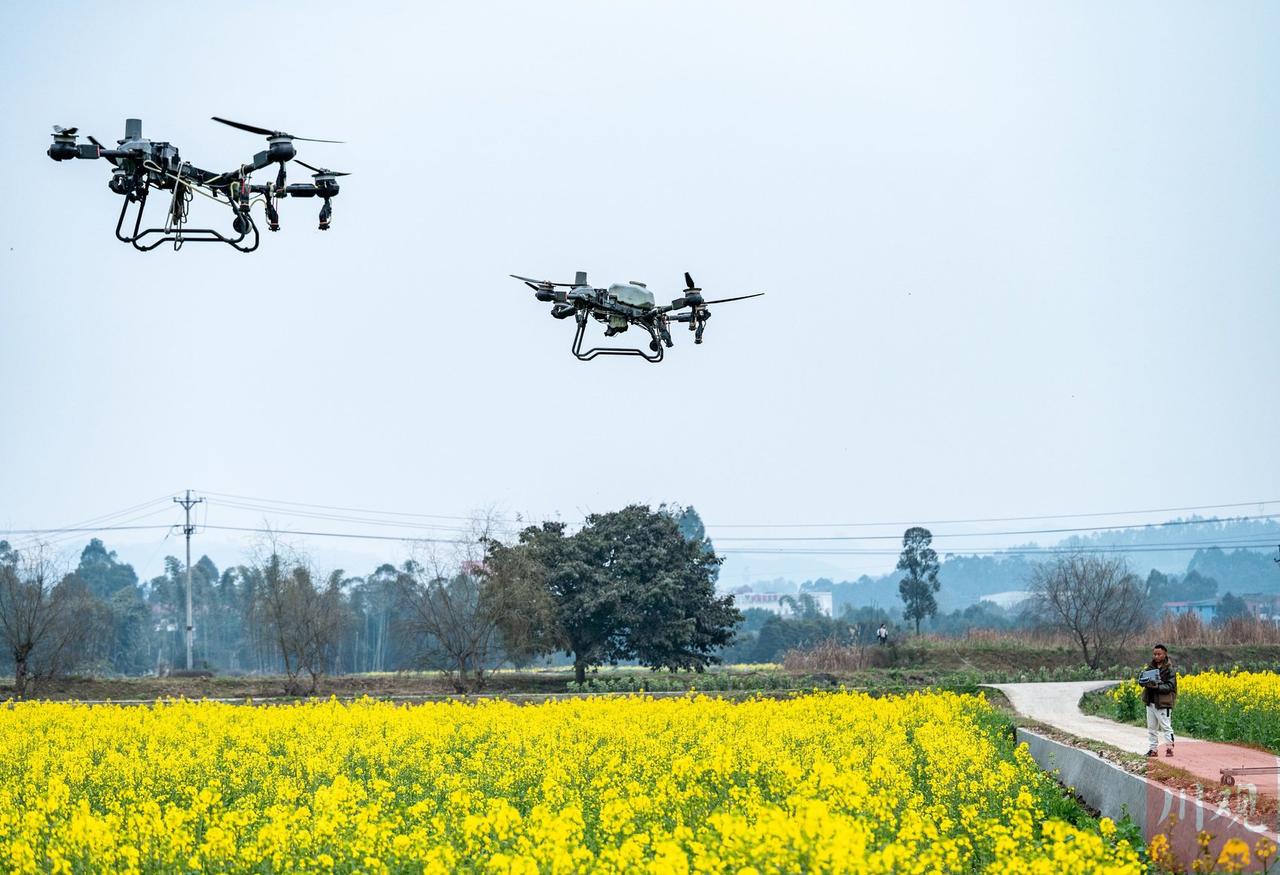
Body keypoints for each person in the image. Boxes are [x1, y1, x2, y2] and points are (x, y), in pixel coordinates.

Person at [1140, 643, 1177, 757]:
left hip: (1163, 703)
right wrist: (1143, 682)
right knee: (1151, 728)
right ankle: (1153, 750)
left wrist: (1156, 686)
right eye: (1154, 654)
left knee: (1166, 726)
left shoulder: (1169, 670)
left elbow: (1170, 686)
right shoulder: (1150, 668)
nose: (1156, 656)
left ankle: (1169, 748)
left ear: (1165, 654)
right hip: (1150, 701)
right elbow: (1141, 680)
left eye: (1159, 654)